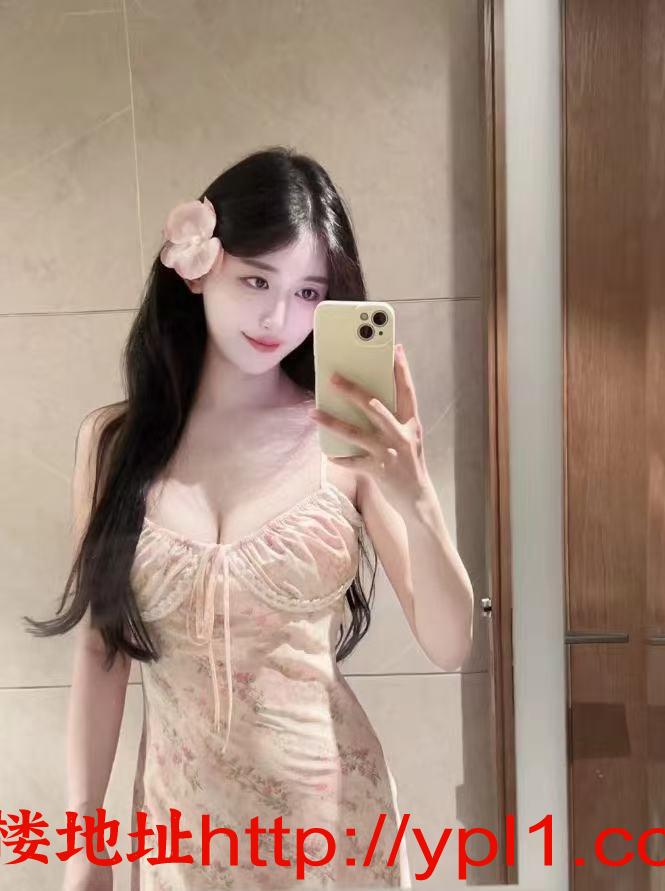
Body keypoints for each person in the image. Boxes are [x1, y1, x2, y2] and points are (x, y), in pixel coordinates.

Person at [25, 146, 475, 890]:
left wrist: (418, 498)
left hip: (333, 832)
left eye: (308, 292)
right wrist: (85, 843)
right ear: (197, 270)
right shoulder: (114, 445)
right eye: (257, 280)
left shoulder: (345, 443)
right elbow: (102, 652)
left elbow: (450, 642)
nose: (277, 317)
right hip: (180, 837)